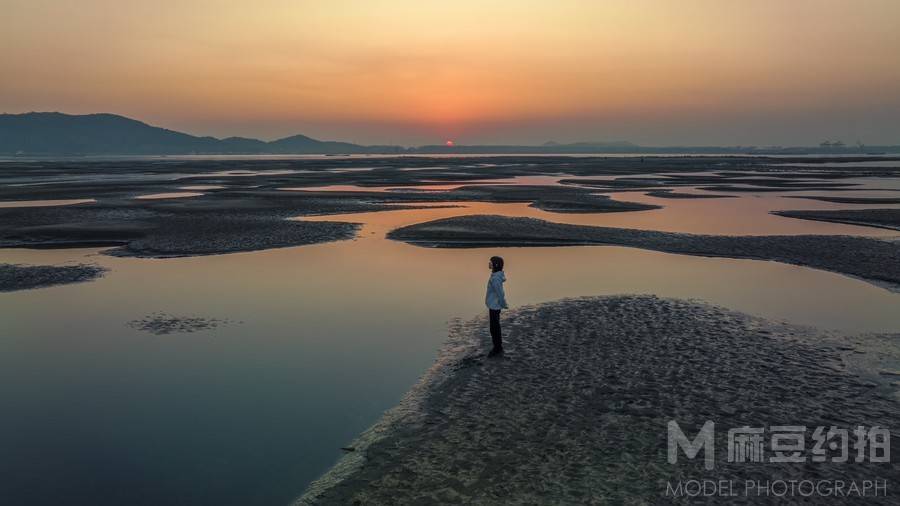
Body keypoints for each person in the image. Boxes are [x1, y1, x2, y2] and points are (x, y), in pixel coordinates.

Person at [485, 256, 508, 357]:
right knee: (494, 327)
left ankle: (497, 348)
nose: (489, 264)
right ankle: (497, 346)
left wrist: (503, 304)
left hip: (495, 306)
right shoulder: (495, 276)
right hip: (493, 305)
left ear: (495, 264)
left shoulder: (495, 279)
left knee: (494, 328)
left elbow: (500, 293)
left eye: (491, 262)